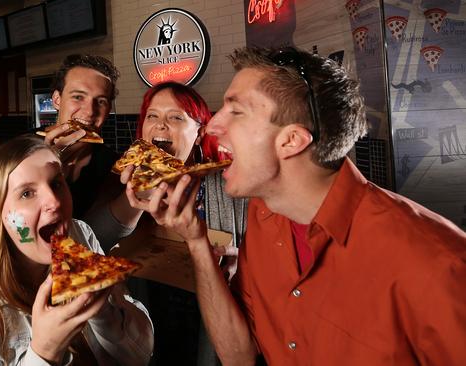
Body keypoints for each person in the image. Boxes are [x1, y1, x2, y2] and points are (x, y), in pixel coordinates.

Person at [128, 46, 466, 365]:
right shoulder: (263, 215)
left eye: (236, 111)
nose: (212, 126)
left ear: (291, 140)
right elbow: (239, 357)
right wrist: (196, 240)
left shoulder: (438, 264)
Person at [0, 134, 153, 365]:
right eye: (26, 193)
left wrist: (104, 313)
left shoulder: (79, 235)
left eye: (56, 183)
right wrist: (45, 352)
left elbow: (139, 356)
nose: (54, 201)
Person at [94, 81, 247, 365]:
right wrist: (136, 196)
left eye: (176, 117)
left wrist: (244, 264)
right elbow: (90, 243)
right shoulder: (120, 182)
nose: (161, 126)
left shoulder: (232, 187)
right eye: (152, 116)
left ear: (200, 133)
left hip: (210, 329)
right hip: (145, 325)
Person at [41, 54, 123, 220]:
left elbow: (99, 230)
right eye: (78, 97)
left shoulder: (113, 167)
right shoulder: (18, 148)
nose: (90, 111)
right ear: (57, 100)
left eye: (101, 101)